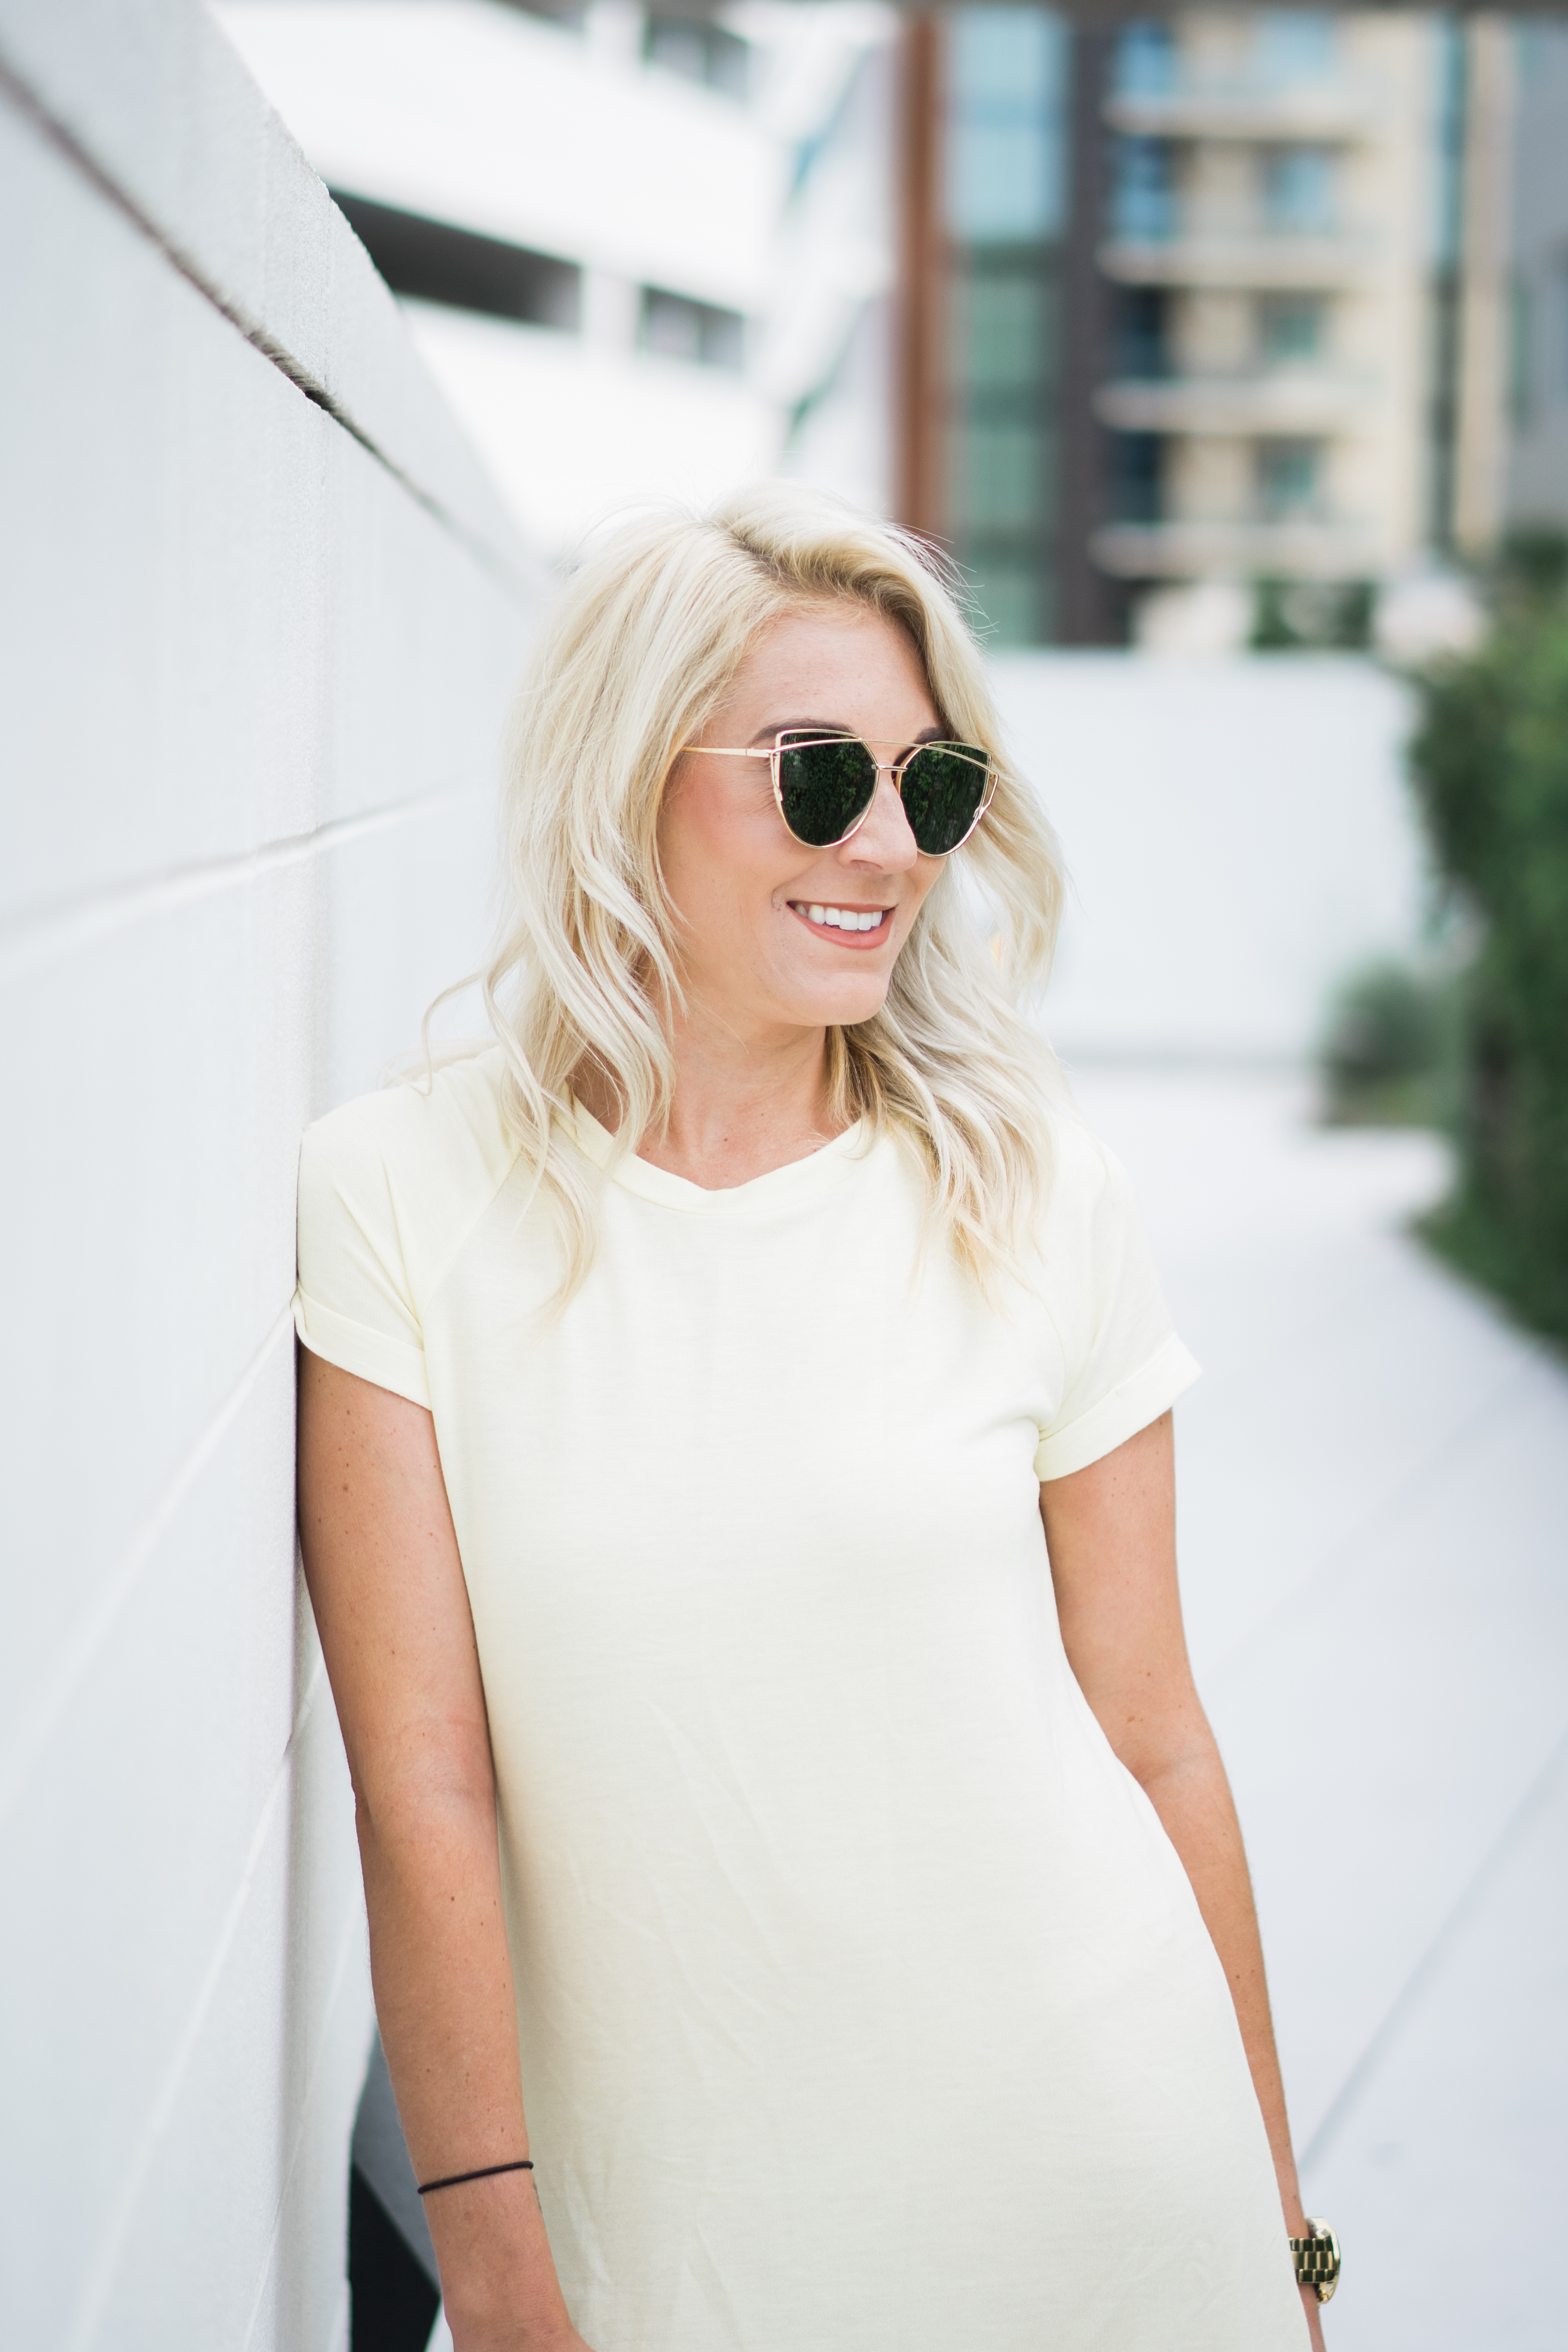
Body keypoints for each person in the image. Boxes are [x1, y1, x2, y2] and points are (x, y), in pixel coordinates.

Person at [294, 490, 1331, 2352]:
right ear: (627, 774)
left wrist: (1288, 2244)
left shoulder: (1034, 1190)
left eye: (932, 789)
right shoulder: (400, 1194)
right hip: (681, 2264)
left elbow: (1160, 1741)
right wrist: (502, 2266)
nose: (888, 845)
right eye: (817, 770)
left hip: (1110, 2203)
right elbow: (420, 1782)